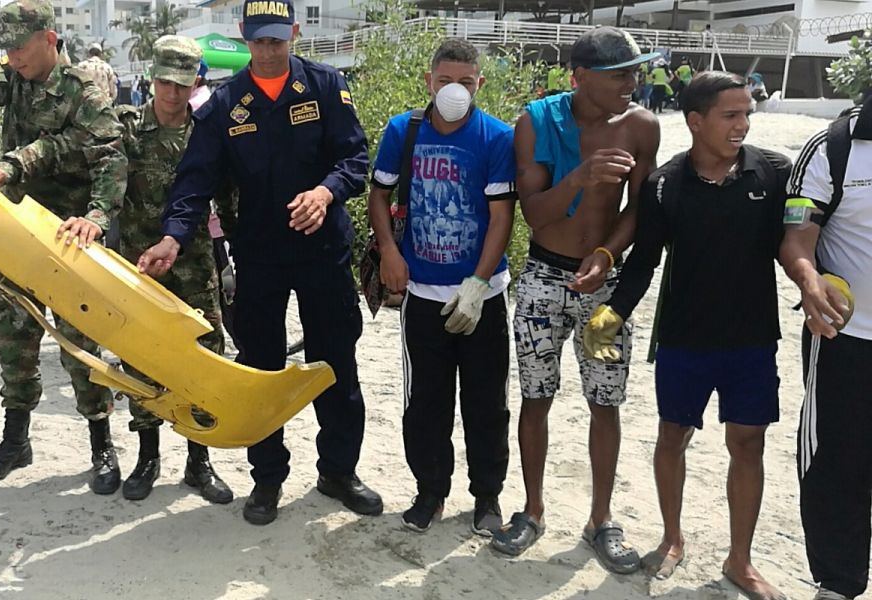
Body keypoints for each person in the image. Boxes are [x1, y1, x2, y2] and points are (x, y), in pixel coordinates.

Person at [138, 0, 381, 526]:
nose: (269, 52)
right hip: (261, 257)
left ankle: (339, 471)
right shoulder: (224, 105)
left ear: (294, 33)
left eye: (278, 40)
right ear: (244, 38)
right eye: (259, 41)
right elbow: (195, 182)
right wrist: (173, 238)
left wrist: (325, 192)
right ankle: (267, 478)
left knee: (335, 363)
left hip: (323, 252)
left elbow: (355, 160)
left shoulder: (324, 86)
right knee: (261, 368)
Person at [584, 72, 792, 599]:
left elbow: (798, 243)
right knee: (672, 437)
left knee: (747, 443)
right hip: (682, 339)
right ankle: (672, 538)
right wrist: (612, 314)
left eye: (747, 114)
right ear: (696, 122)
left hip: (751, 341)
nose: (743, 125)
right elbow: (644, 262)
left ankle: (739, 559)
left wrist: (816, 288)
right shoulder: (664, 185)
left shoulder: (774, 173)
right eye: (731, 115)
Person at [490, 26, 661, 573]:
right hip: (543, 279)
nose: (632, 83)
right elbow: (535, 213)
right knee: (536, 397)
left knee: (605, 401)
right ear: (580, 77)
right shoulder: (536, 123)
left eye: (636, 72)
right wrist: (582, 177)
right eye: (620, 75)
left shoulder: (641, 127)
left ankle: (600, 520)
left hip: (606, 289)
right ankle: (533, 510)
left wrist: (608, 255)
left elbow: (642, 211)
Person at [0, 0, 128, 493]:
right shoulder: (10, 76)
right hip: (15, 235)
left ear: (49, 38)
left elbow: (111, 155)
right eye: (5, 48)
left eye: (20, 47)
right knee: (14, 341)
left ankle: (101, 445)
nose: (13, 57)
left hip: (66, 238)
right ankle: (15, 442)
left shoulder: (82, 91)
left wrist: (96, 214)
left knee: (80, 346)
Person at [68, 35, 233, 504]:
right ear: (151, 79)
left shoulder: (208, 134)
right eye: (165, 83)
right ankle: (147, 456)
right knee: (141, 359)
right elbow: (100, 174)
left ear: (196, 83)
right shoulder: (123, 128)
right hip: (139, 266)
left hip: (195, 264)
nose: (172, 94)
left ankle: (199, 462)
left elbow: (231, 195)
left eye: (183, 85)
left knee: (203, 357)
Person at [368, 39, 515, 534]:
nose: (456, 91)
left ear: (481, 85)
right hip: (423, 295)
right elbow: (379, 192)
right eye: (446, 81)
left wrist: (477, 284)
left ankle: (487, 497)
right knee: (425, 401)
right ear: (429, 82)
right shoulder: (402, 131)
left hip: (484, 296)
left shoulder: (496, 137)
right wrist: (389, 251)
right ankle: (430, 491)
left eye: (467, 82)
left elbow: (501, 216)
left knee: (486, 401)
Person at [781, 88, 872, 600]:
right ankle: (837, 584)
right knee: (836, 462)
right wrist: (808, 280)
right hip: (846, 339)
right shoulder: (834, 147)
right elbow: (797, 234)